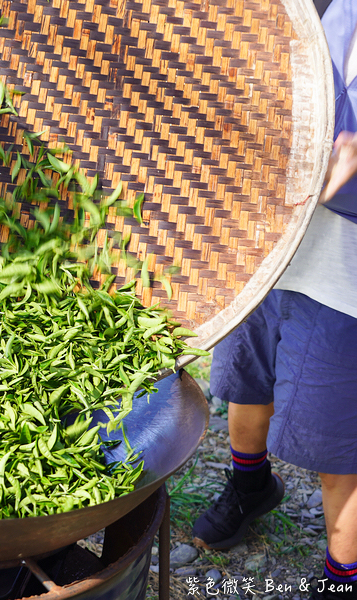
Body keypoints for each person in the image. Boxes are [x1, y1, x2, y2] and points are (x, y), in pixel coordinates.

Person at [192, 1, 357, 598]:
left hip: (344, 262)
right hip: (262, 235)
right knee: (243, 376)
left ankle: (344, 576)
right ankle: (250, 484)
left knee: (334, 430)